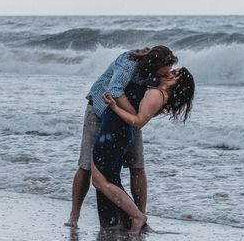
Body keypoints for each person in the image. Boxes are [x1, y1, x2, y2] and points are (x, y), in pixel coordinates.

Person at [64, 45, 178, 228]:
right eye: (162, 72)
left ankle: (140, 216)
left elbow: (152, 103)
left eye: (166, 73)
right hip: (99, 110)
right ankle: (74, 216)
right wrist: (136, 117)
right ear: (153, 64)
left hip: (127, 118)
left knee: (137, 165)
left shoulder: (158, 74)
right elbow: (115, 90)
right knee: (86, 165)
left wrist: (137, 118)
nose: (164, 75)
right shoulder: (129, 61)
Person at [91, 67, 195, 233]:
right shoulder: (156, 91)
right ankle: (124, 220)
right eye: (172, 70)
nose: (170, 73)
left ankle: (137, 217)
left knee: (101, 180)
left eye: (175, 75)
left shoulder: (157, 95)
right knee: (105, 178)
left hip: (116, 131)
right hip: (115, 130)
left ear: (178, 85)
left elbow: (138, 122)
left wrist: (114, 107)